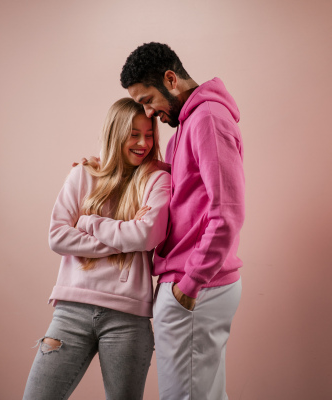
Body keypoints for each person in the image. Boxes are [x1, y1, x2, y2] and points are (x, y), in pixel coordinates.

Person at [23, 98, 171, 400]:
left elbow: (146, 237)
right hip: (70, 312)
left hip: (128, 318)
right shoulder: (83, 174)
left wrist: (89, 221)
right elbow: (57, 237)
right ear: (115, 133)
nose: (143, 142)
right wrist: (123, 237)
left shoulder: (158, 180)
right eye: (133, 134)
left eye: (149, 134)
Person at [121, 42, 245, 400]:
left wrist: (189, 285)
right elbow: (181, 186)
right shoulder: (191, 125)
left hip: (196, 286)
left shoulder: (207, 119)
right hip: (196, 285)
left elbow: (228, 212)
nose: (148, 111)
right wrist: (106, 166)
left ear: (171, 80)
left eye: (147, 100)